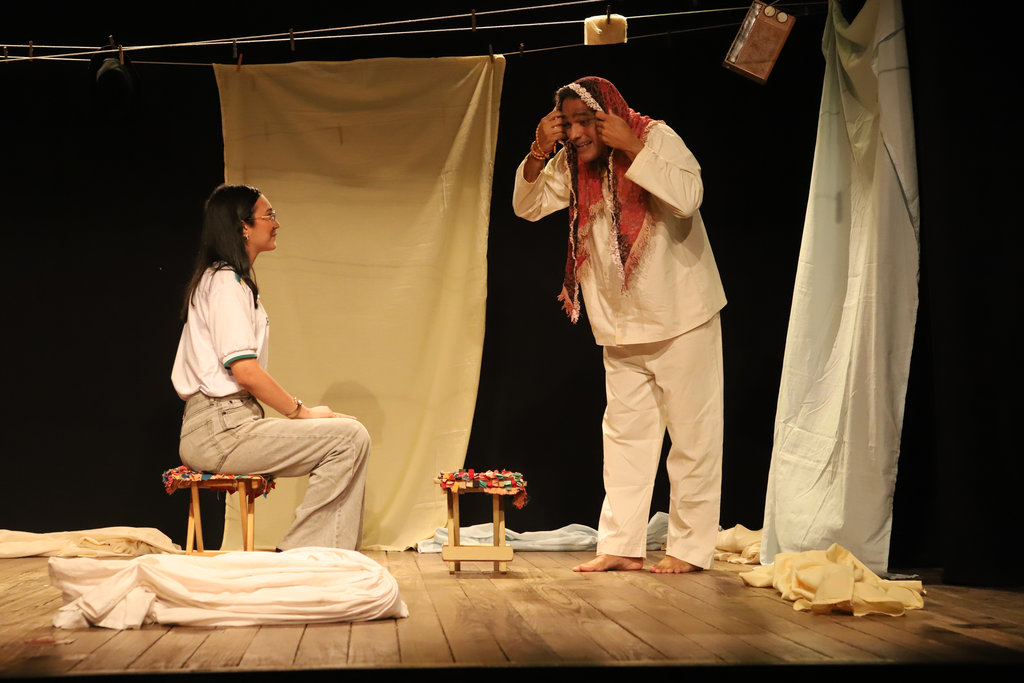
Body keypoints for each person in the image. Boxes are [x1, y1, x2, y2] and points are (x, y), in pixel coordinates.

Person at [513, 77, 727, 573]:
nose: (576, 133)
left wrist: (632, 148)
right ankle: (621, 545)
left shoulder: (655, 137)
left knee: (693, 440)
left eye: (585, 121)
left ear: (609, 113)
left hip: (681, 316)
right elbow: (527, 207)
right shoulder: (572, 164)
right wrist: (538, 151)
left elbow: (688, 197)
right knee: (625, 440)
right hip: (621, 325)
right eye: (567, 123)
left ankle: (689, 549)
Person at [171, 184, 370, 550]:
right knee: (348, 438)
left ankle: (315, 552)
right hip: (219, 430)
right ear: (243, 227)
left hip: (230, 423)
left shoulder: (229, 281)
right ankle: (303, 555)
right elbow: (244, 371)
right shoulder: (224, 282)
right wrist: (301, 412)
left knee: (349, 436)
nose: (276, 224)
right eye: (269, 216)